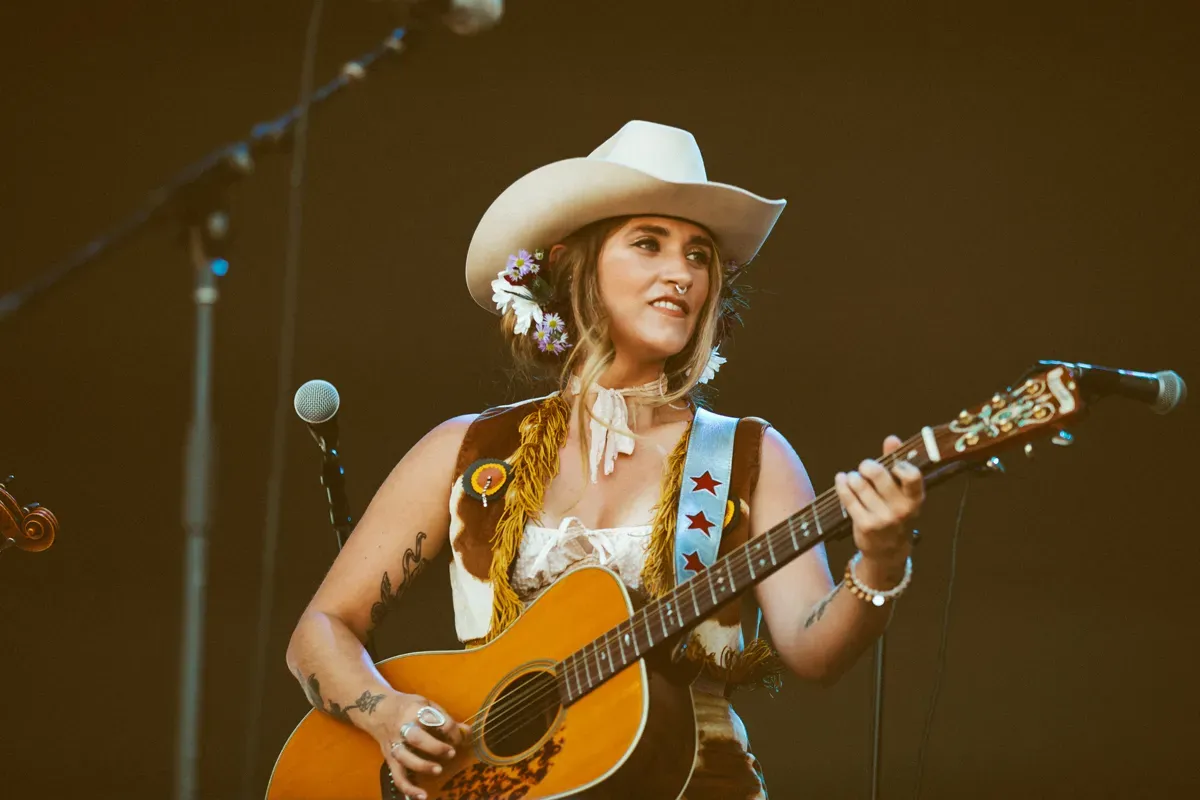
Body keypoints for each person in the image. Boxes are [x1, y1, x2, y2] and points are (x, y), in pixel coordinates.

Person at [285, 120, 925, 800]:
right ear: (573, 263)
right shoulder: (468, 452)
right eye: (649, 244)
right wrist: (387, 716)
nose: (681, 272)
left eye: (700, 255)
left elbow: (812, 653)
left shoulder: (748, 456)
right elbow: (320, 630)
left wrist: (881, 561)